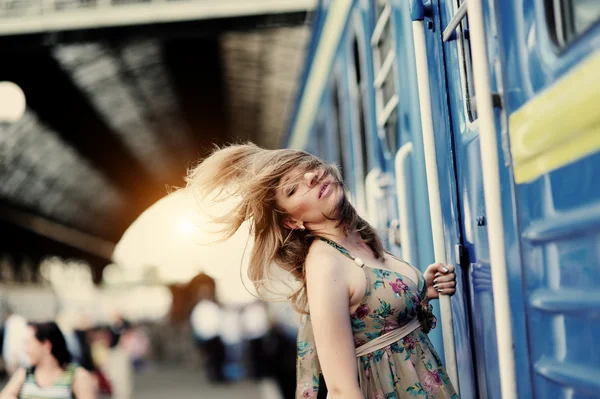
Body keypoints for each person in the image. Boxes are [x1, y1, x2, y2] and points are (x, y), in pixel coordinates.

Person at [186, 143, 458, 399]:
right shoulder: (325, 264)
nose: (310, 178)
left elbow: (374, 315)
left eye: (308, 167)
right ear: (292, 221)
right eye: (293, 188)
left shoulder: (357, 239)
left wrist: (421, 289)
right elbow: (341, 389)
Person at [0, 322, 96, 399]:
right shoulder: (26, 372)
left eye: (29, 343)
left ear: (46, 345)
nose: (26, 349)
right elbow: (4, 395)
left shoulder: (77, 375)